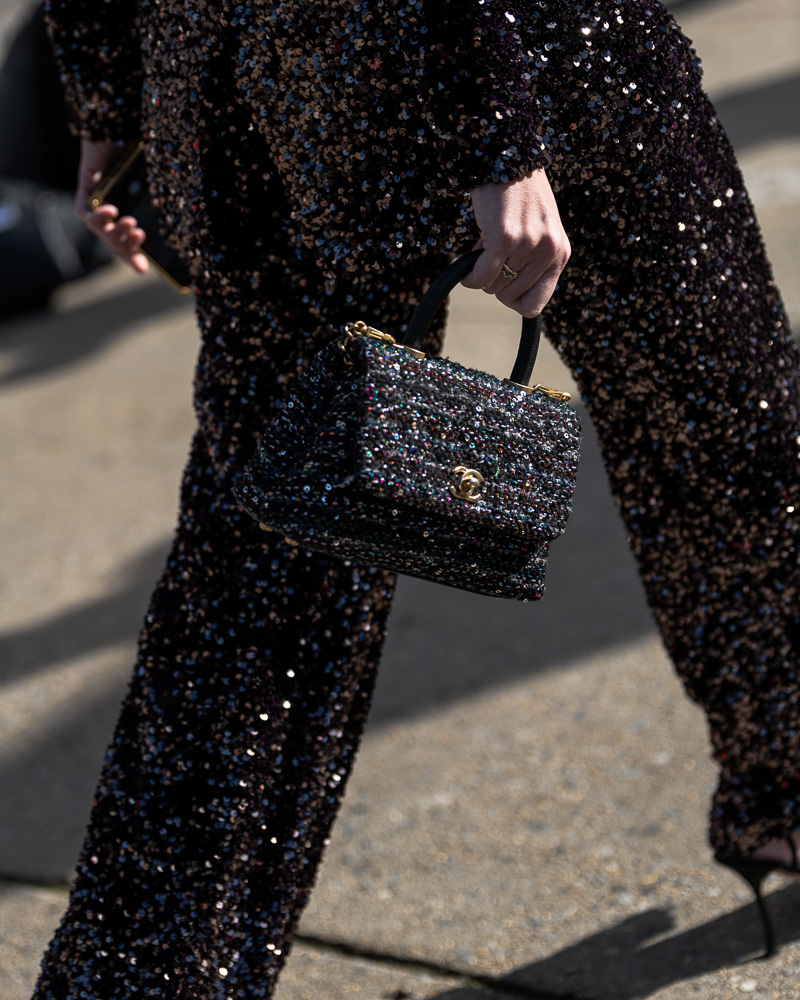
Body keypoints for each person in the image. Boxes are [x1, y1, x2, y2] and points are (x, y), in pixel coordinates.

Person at [36, 0, 800, 994]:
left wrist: (114, 90)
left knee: (255, 589)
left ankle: (142, 979)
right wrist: (492, 129)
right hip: (514, 50)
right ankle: (784, 765)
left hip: (250, 82)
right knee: (720, 425)